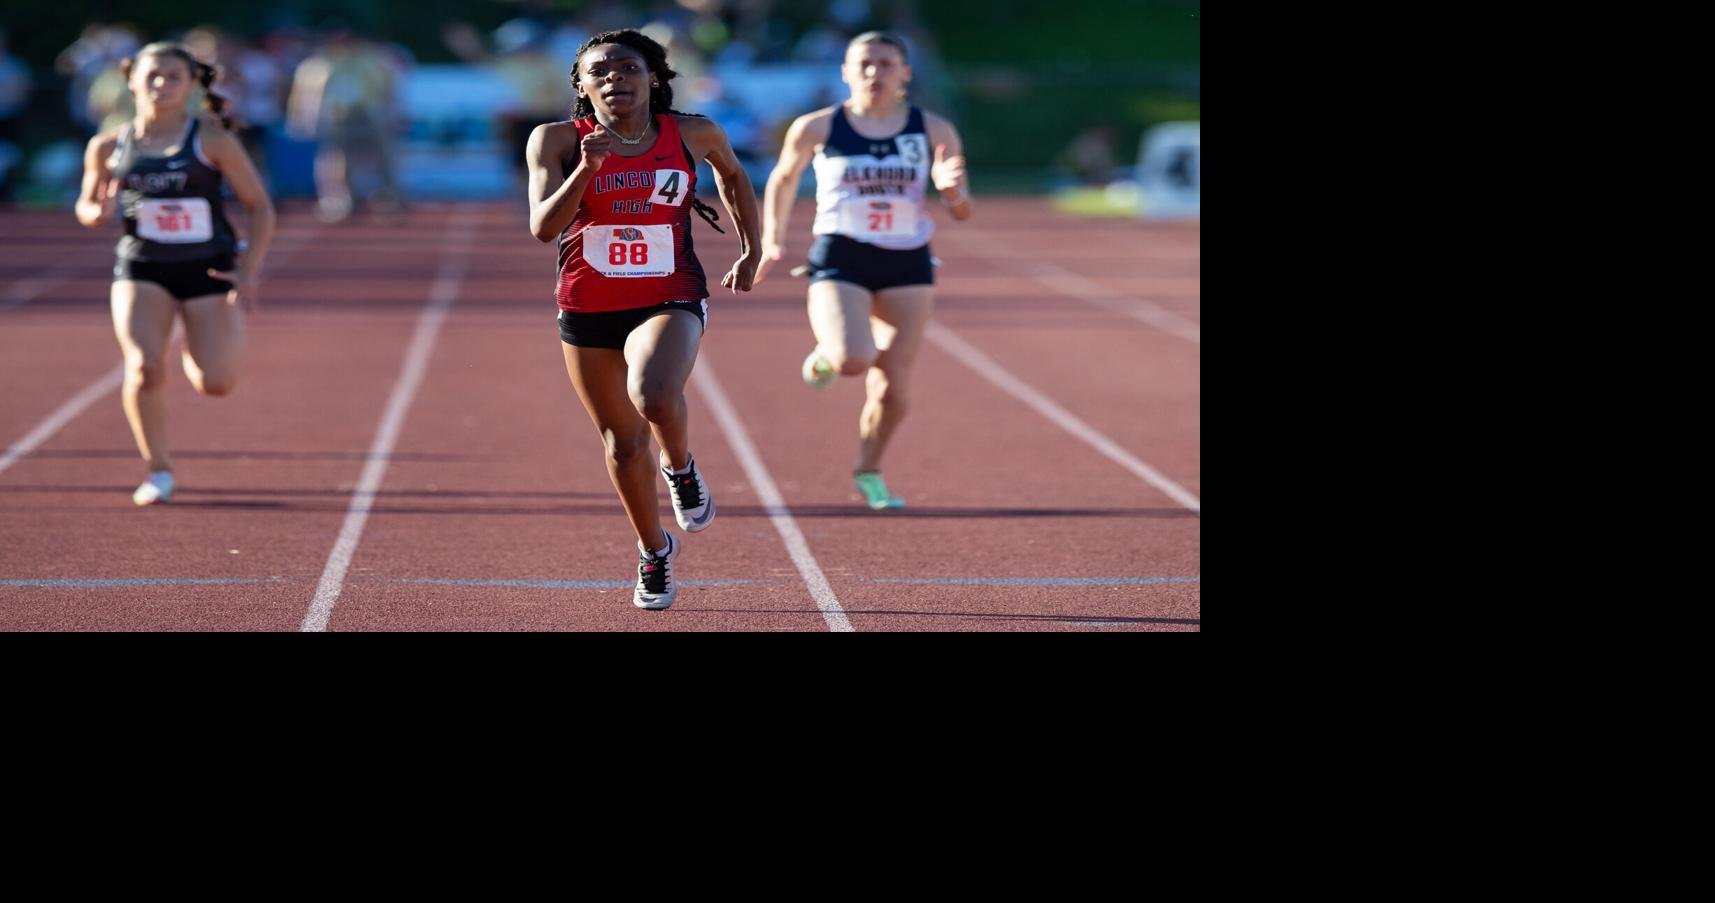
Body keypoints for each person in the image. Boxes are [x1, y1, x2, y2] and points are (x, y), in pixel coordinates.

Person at [525, 29, 760, 611]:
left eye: (627, 67)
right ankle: (654, 549)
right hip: (587, 305)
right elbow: (543, 227)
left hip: (669, 294)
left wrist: (752, 248)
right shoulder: (554, 140)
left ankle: (680, 466)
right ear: (580, 86)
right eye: (599, 71)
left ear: (653, 76)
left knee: (654, 393)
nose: (614, 78)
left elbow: (731, 175)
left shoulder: (693, 132)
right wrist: (586, 170)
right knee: (622, 444)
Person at [756, 30, 970, 510]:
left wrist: (949, 191)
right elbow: (784, 178)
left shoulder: (934, 130)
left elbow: (962, 209)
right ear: (846, 72)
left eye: (886, 63)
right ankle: (831, 353)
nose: (875, 73)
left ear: (905, 72)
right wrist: (772, 240)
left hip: (907, 258)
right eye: (865, 64)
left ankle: (869, 470)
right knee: (854, 358)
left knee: (893, 386)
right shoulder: (819, 127)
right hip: (842, 253)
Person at [74, 42, 276, 506]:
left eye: (172, 77)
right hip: (142, 268)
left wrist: (249, 268)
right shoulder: (108, 145)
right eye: (152, 76)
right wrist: (94, 210)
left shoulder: (211, 140)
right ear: (131, 81)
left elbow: (259, 206)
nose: (161, 85)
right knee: (144, 366)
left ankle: (198, 334)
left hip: (208, 268)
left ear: (190, 86)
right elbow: (86, 204)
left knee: (217, 383)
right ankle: (158, 469)